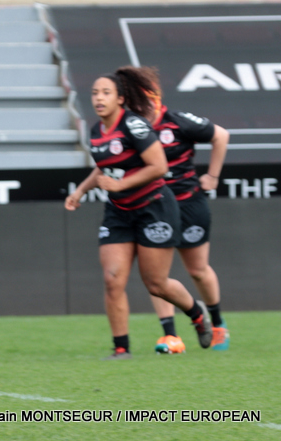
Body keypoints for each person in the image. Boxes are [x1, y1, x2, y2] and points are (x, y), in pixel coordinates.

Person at [64, 72, 213, 360]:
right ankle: (121, 349)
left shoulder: (135, 125)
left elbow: (159, 166)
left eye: (106, 92)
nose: (98, 98)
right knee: (112, 279)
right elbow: (104, 167)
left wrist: (120, 185)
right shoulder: (96, 131)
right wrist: (80, 191)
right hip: (119, 212)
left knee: (156, 284)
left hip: (154, 208)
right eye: (95, 93)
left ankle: (196, 314)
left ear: (120, 98)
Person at [115, 66, 231, 354]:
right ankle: (170, 335)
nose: (143, 107)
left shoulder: (178, 122)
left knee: (198, 270)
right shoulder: (129, 128)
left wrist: (213, 176)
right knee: (156, 276)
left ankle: (217, 324)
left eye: (147, 100)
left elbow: (221, 136)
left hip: (187, 203)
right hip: (153, 206)